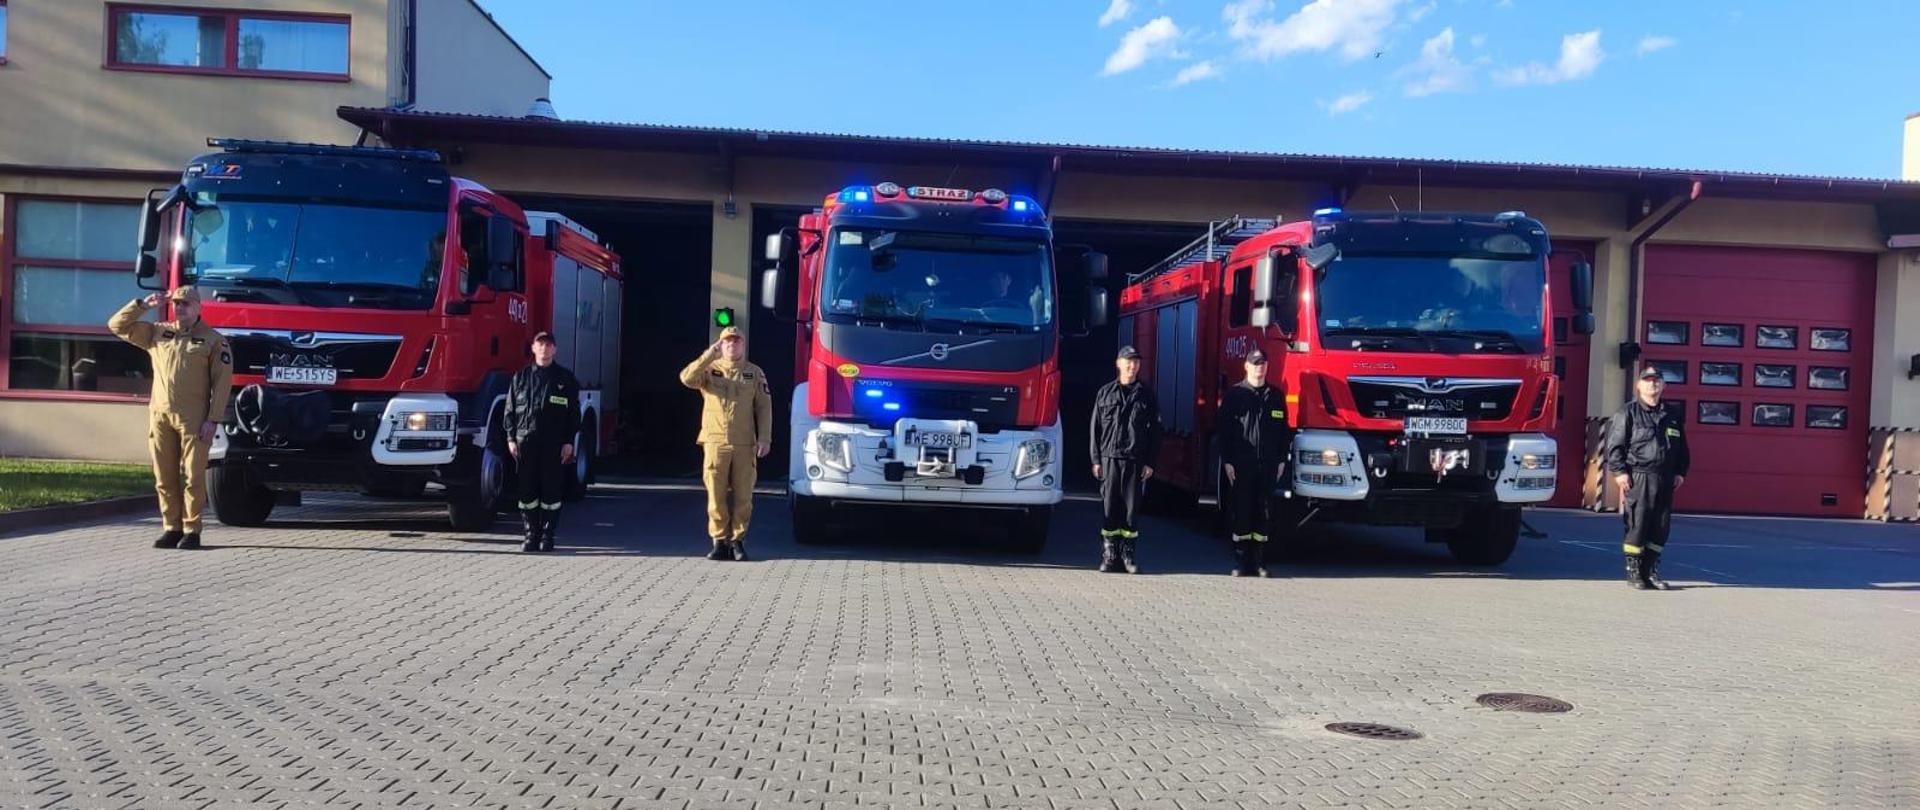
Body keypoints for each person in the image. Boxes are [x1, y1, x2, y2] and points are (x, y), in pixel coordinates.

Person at [107, 286, 234, 550]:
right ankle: (171, 527)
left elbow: (222, 384)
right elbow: (117, 325)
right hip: (160, 415)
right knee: (164, 476)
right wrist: (144, 304)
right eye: (177, 303)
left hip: (194, 418)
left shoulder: (212, 340)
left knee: (193, 476)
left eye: (186, 304)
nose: (180, 308)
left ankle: (192, 529)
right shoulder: (158, 332)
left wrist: (213, 419)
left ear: (199, 307)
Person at [679, 326, 773, 561]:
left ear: (743, 345)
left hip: (744, 443)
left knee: (743, 496)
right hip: (715, 441)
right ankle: (719, 541)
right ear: (721, 345)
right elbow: (687, 378)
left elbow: (764, 408)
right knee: (716, 495)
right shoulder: (710, 370)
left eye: (737, 342)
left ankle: (738, 541)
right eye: (727, 342)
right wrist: (709, 355)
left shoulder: (754, 373)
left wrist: (764, 438)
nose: (733, 345)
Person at [1605, 364, 1691, 590]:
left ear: (1663, 385)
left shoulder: (1672, 415)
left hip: (1665, 478)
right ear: (1638, 385)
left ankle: (1650, 571)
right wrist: (1620, 472)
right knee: (1638, 525)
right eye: (1648, 380)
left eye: (1656, 380)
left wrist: (1681, 471)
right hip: (1638, 477)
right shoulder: (1627, 413)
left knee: (1660, 527)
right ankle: (1634, 572)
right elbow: (1615, 446)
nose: (1652, 383)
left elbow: (1682, 447)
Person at [504, 332, 581, 553]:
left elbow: (574, 414)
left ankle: (547, 536)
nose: (545, 349)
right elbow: (509, 411)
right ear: (533, 348)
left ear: (555, 350)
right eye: (541, 344)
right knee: (527, 492)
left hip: (554, 445)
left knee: (551, 492)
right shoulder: (520, 377)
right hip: (526, 443)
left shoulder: (565, 379)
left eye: (549, 345)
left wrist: (568, 442)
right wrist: (511, 438)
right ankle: (530, 535)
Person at [1217, 348, 1291, 577]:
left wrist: (1281, 460)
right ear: (1246, 366)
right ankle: (1241, 561)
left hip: (1268, 464)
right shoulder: (1235, 395)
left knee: (1264, 511)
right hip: (1242, 464)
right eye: (1255, 364)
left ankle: (1259, 561)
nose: (1260, 368)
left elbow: (1283, 432)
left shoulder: (1275, 396)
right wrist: (1227, 460)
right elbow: (1224, 431)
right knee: (1242, 511)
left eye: (1263, 364)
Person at [1089, 346, 1162, 574]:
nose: (1132, 366)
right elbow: (1095, 428)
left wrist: (1150, 462)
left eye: (1136, 362)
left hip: (1135, 459)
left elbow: (1155, 432)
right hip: (1110, 458)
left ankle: (1128, 555)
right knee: (1110, 507)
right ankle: (1110, 555)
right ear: (1118, 364)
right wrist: (1096, 459)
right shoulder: (1105, 393)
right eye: (1128, 361)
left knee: (1131, 510)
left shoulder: (1146, 395)